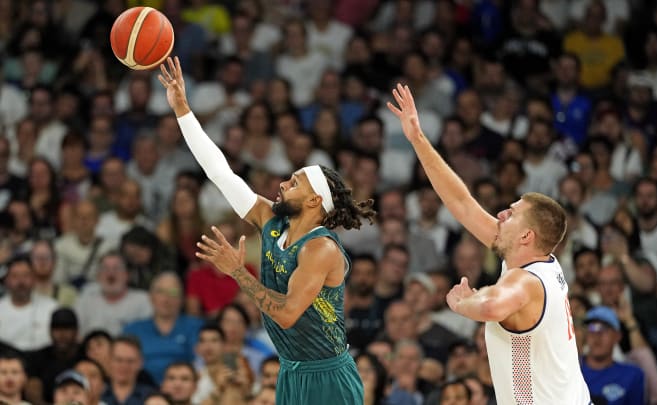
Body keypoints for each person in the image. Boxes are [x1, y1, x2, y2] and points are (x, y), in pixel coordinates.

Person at [157, 57, 374, 405]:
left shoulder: (321, 249)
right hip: (291, 370)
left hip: (328, 376)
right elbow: (220, 172)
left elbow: (288, 314)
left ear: (315, 199)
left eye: (295, 181)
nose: (284, 182)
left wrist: (237, 272)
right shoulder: (271, 221)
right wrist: (183, 110)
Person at [388, 84, 591, 404]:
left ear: (527, 236)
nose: (499, 214)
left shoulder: (524, 279)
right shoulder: (537, 260)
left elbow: (491, 306)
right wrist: (419, 139)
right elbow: (462, 203)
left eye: (511, 214)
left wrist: (461, 304)